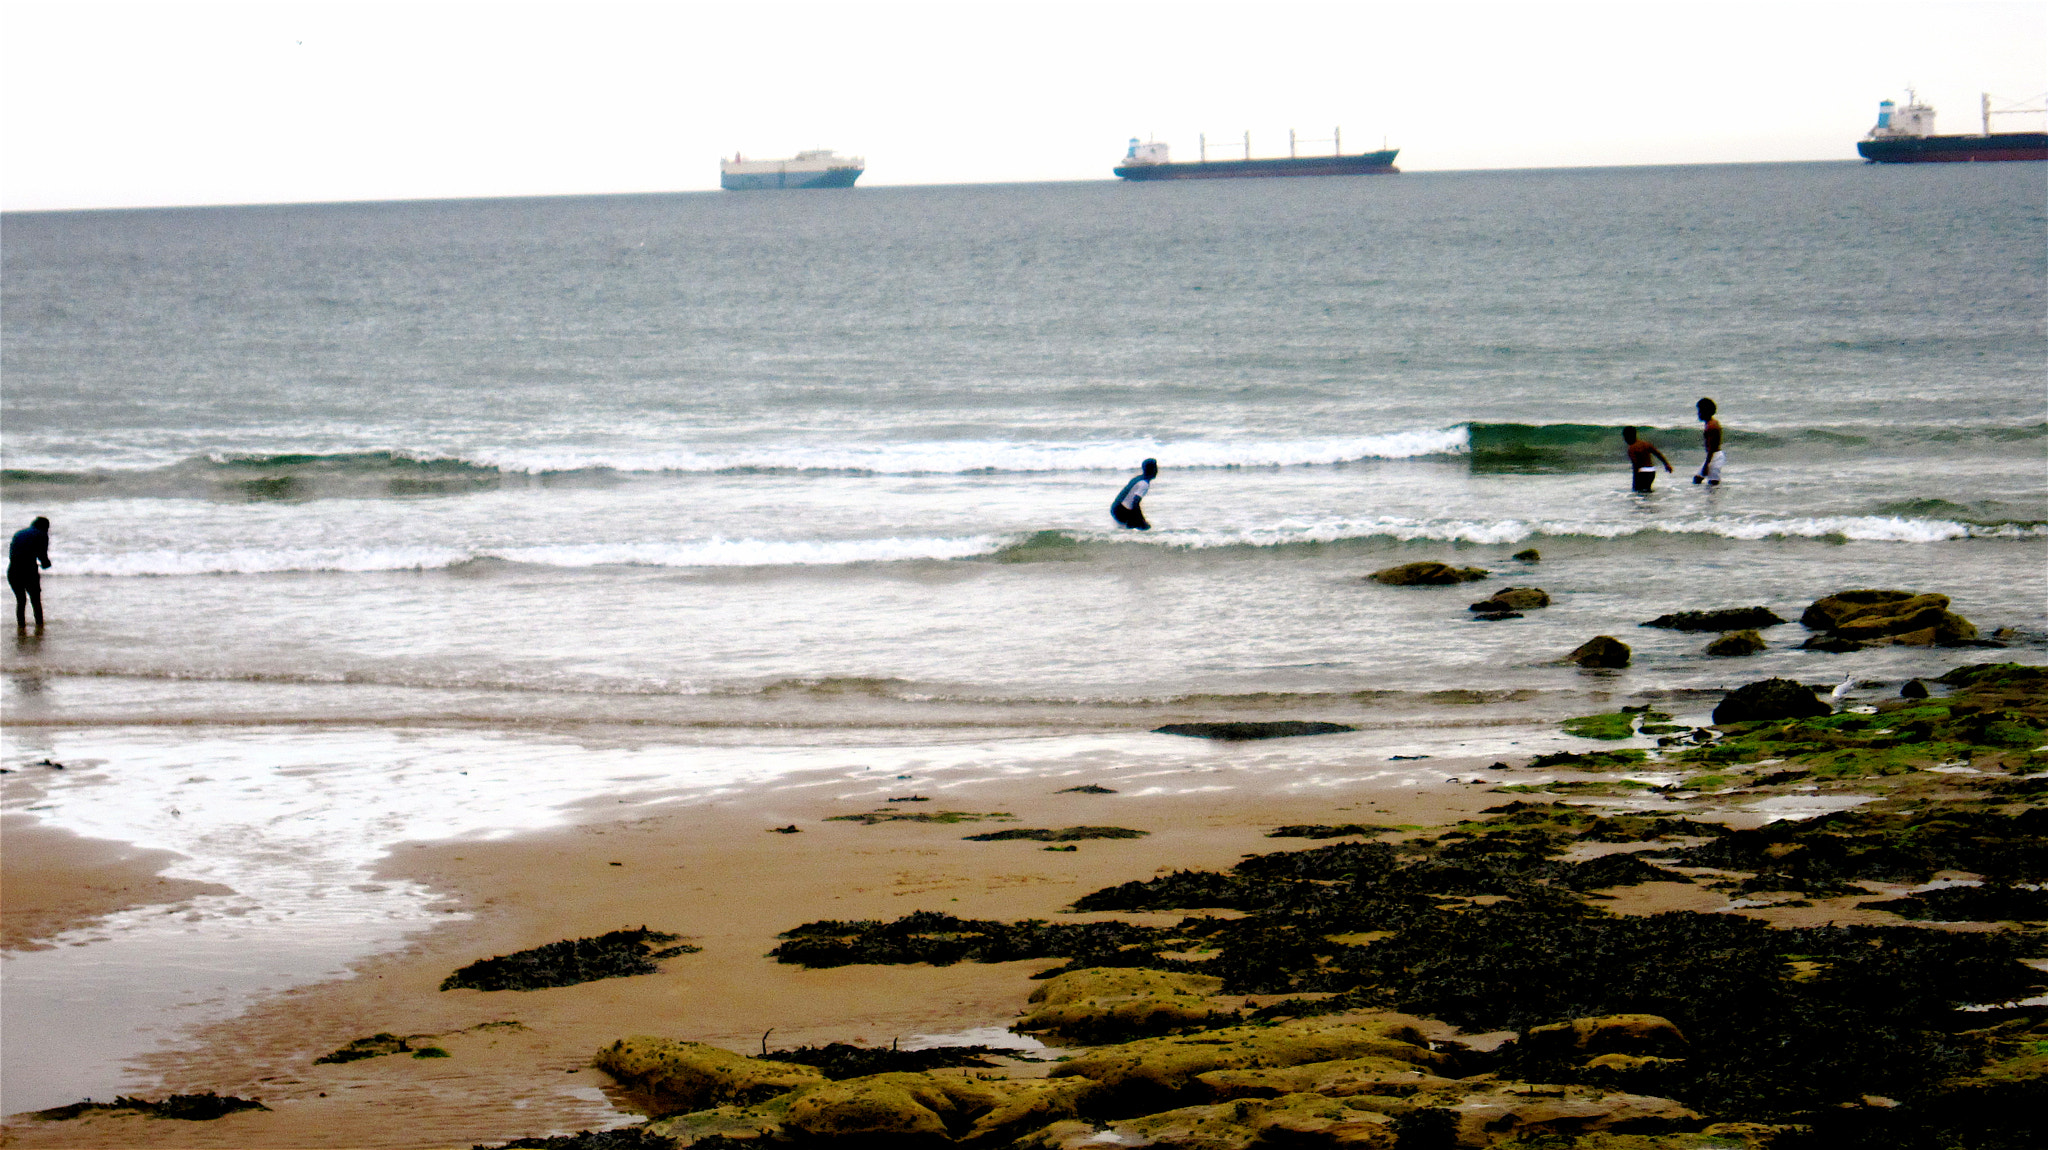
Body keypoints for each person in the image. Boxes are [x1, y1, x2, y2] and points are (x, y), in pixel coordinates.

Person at [9, 516, 51, 631]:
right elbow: (43, 557)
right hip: (28, 570)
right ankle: (39, 627)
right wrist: (46, 564)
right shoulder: (41, 534)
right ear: (44, 527)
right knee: (35, 599)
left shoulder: (19, 533)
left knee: (21, 600)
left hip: (12, 570)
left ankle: (21, 627)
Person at [1621, 427, 1673, 493]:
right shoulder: (1646, 444)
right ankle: (1650, 502)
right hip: (1651, 471)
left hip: (1642, 472)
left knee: (1639, 491)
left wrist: (1635, 482)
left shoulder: (1631, 448)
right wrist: (1666, 464)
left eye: (1625, 437)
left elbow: (1636, 465)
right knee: (1647, 489)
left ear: (1628, 437)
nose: (1624, 439)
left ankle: (1644, 502)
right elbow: (1658, 454)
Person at [1111, 458, 1157, 529]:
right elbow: (1135, 503)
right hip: (1122, 511)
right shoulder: (1144, 484)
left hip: (1116, 507)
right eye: (1155, 468)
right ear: (1152, 470)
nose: (1157, 471)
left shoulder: (1138, 478)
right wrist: (1142, 520)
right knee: (1145, 528)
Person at [1693, 397, 1724, 486]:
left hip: (1714, 456)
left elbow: (1712, 448)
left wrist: (1707, 464)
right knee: (1698, 479)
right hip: (1714, 456)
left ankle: (1714, 499)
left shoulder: (1711, 427)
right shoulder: (1712, 423)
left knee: (1712, 482)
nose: (1698, 414)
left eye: (1700, 411)